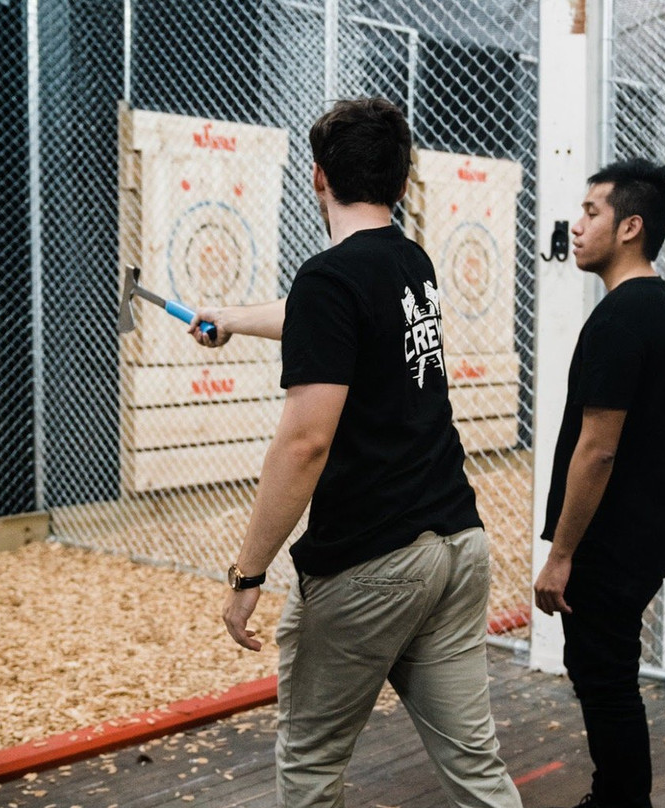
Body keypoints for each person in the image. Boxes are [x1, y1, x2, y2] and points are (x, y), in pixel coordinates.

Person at [188, 98, 522, 808]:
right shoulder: (410, 262)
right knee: (477, 768)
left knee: (310, 766)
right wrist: (234, 319)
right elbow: (330, 316)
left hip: (372, 563)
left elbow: (305, 444)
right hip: (456, 548)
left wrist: (248, 571)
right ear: (401, 183)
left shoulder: (329, 279)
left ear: (318, 177)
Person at [533, 158, 665, 808]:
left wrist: (561, 554)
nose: (576, 225)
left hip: (610, 544)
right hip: (641, 537)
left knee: (605, 681)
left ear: (631, 227)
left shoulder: (622, 317)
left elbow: (597, 450)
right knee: (607, 674)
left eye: (591, 212)